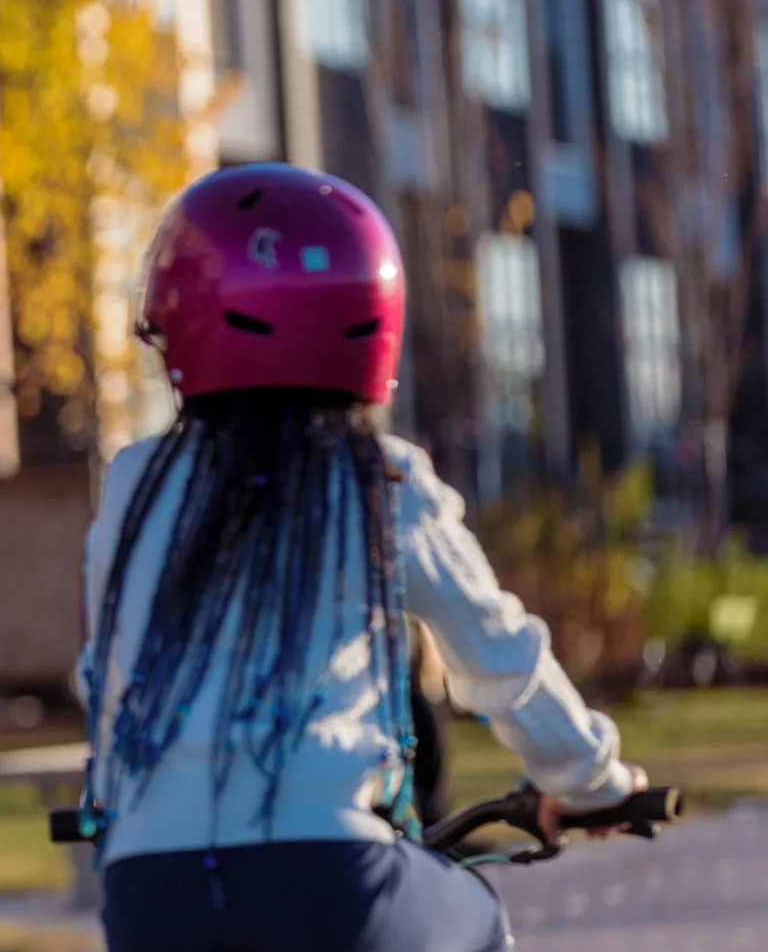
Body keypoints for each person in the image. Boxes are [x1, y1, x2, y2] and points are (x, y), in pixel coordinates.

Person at [80, 163, 642, 952]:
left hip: (151, 896)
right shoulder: (382, 477)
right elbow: (500, 659)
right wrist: (592, 784)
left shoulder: (134, 484)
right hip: (331, 885)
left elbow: (103, 677)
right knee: (476, 922)